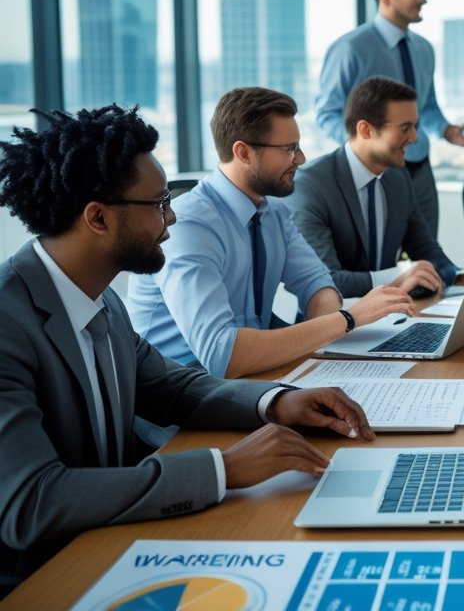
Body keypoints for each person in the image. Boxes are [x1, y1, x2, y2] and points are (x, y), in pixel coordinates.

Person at [0, 105, 375, 593]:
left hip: (113, 544)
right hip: (43, 579)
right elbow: (32, 502)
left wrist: (277, 401)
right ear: (97, 217)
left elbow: (171, 387)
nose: (172, 217)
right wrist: (223, 468)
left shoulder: (101, 300)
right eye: (158, 205)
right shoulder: (9, 323)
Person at [127, 88, 415, 378]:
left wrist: (332, 322)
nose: (300, 159)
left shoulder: (271, 212)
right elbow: (222, 356)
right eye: (289, 149)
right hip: (182, 405)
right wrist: (348, 319)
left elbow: (318, 285)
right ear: (243, 152)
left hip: (251, 382)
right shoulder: (188, 226)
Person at [315, 0, 464, 233]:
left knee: (426, 253)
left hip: (419, 168)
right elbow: (327, 113)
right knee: (381, 257)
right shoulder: (350, 49)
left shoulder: (424, 49)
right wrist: (368, 149)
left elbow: (428, 106)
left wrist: (446, 131)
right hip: (375, 172)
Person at [288, 76, 458, 299]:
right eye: (405, 128)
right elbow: (326, 280)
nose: (415, 138)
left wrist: (463, 277)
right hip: (335, 327)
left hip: (395, 317)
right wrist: (400, 275)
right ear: (366, 130)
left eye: (415, 126)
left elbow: (427, 251)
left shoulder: (398, 178)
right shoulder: (310, 186)